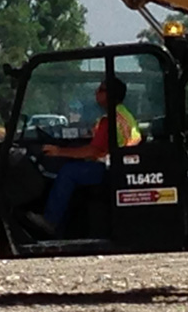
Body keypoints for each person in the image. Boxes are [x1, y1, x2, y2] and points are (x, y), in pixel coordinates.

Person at [27, 76, 141, 237]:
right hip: (121, 165)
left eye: (101, 89)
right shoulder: (123, 114)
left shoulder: (110, 119)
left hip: (111, 169)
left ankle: (51, 222)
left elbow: (93, 151)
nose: (96, 92)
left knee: (68, 172)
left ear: (110, 94)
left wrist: (59, 151)